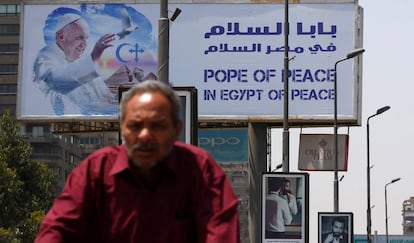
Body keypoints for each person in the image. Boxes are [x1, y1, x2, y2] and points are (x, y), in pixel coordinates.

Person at [34, 80, 240, 243]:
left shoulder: (201, 171)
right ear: (122, 128)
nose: (144, 136)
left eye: (157, 126)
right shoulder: (94, 172)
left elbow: (221, 232)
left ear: (176, 130)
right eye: (135, 126)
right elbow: (57, 231)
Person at [33, 12, 118, 115]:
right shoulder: (45, 57)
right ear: (61, 36)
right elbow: (54, 83)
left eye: (86, 39)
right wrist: (93, 57)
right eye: (79, 38)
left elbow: (105, 96)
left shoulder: (82, 59)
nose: (84, 45)